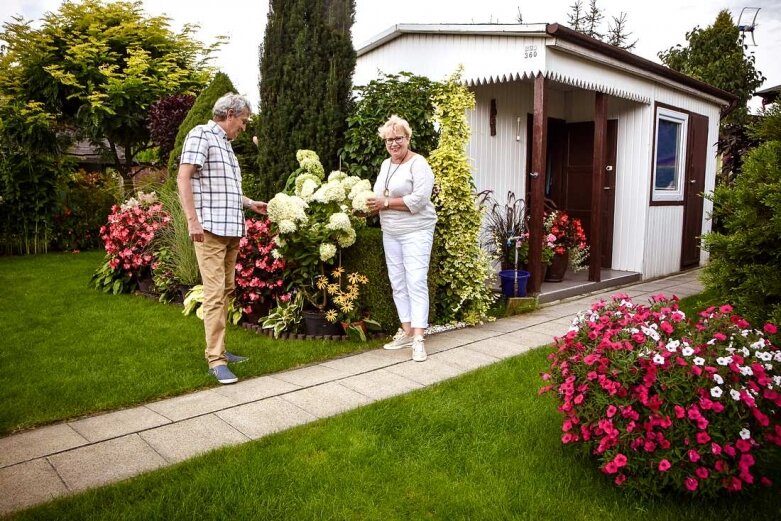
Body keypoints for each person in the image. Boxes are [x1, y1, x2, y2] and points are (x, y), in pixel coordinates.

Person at [177, 93, 267, 384]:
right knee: (215, 295)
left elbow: (224, 190)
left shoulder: (225, 145)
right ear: (230, 114)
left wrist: (250, 203)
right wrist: (192, 221)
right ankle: (215, 360)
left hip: (230, 230)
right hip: (210, 231)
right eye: (242, 121)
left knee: (226, 290)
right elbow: (184, 177)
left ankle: (222, 350)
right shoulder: (201, 134)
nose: (244, 127)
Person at [368, 115, 437, 362]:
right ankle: (407, 331)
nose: (394, 143)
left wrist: (384, 203)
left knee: (416, 280)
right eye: (389, 139)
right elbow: (378, 195)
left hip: (416, 230)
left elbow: (418, 201)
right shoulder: (386, 165)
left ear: (408, 138)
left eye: (398, 138)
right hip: (391, 232)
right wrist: (365, 205)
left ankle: (419, 338)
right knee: (397, 281)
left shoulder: (419, 164)